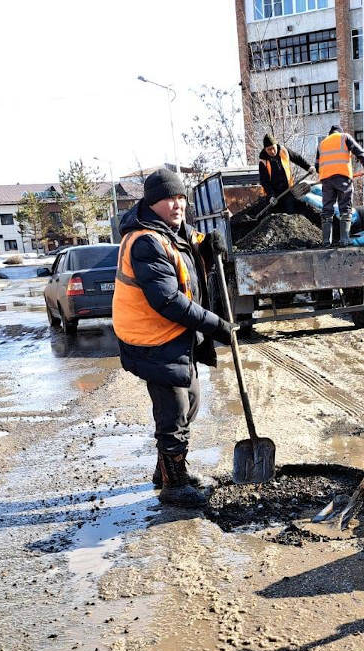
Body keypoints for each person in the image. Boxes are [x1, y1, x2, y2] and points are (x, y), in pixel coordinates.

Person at [112, 166, 234, 506]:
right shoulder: (145, 242)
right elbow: (167, 299)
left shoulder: (172, 232)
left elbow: (190, 251)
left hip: (172, 337)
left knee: (190, 401)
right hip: (151, 340)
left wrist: (209, 248)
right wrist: (216, 324)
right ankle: (174, 485)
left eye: (181, 197)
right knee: (174, 410)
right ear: (152, 203)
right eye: (169, 198)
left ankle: (166, 470)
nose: (177, 204)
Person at [315, 126, 364, 246]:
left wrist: (327, 173)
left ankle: (326, 241)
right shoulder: (344, 137)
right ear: (339, 132)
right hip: (343, 178)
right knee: (345, 208)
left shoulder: (322, 143)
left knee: (327, 210)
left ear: (329, 134)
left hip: (326, 179)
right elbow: (359, 151)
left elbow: (316, 166)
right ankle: (344, 240)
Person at [258, 133, 312, 216]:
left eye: (273, 148)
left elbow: (297, 158)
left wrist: (308, 167)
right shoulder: (263, 161)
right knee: (274, 216)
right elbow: (264, 181)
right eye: (269, 149)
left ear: (276, 145)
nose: (272, 151)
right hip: (274, 194)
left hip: (288, 189)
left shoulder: (284, 150)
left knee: (290, 211)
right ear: (265, 149)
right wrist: (271, 196)